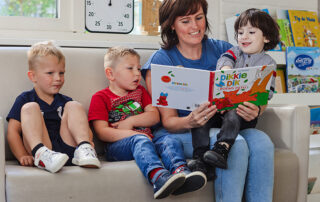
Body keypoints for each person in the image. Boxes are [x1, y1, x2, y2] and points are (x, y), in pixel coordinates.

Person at [142, 0, 274, 201]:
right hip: (185, 131)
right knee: (236, 145)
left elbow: (255, 86)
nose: (195, 26)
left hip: (225, 122)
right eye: (185, 21)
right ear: (171, 25)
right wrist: (191, 120)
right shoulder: (161, 61)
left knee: (262, 141)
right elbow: (169, 123)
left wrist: (258, 109)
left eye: (199, 18)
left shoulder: (223, 48)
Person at [88, 46, 207, 199]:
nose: (137, 73)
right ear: (110, 74)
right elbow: (102, 132)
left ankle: (180, 173)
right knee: (140, 140)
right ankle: (158, 178)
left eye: (138, 68)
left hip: (148, 139)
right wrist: (131, 134)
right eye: (130, 68)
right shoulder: (101, 97)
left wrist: (131, 121)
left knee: (168, 139)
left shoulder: (140, 92)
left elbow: (154, 116)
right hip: (118, 146)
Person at [191, 8, 280, 170]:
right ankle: (200, 158)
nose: (244, 36)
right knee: (201, 117)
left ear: (266, 37)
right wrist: (225, 70)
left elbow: (268, 92)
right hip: (220, 110)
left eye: (251, 32)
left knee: (233, 113)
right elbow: (226, 59)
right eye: (240, 32)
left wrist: (257, 104)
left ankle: (222, 148)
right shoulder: (234, 52)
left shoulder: (268, 63)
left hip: (243, 115)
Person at [6, 41, 101, 173]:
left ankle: (84, 149)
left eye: (61, 73)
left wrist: (88, 140)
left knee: (74, 106)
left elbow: (81, 126)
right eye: (50, 73)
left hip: (69, 151)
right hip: (42, 149)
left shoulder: (66, 101)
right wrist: (22, 155)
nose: (58, 78)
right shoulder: (25, 99)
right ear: (33, 76)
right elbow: (13, 132)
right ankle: (41, 154)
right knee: (30, 108)